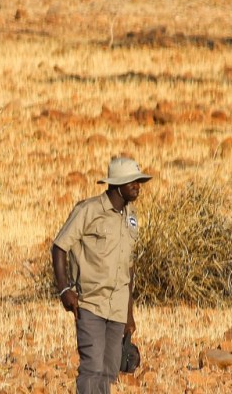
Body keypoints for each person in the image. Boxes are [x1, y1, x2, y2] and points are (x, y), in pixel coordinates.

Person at [51, 156, 150, 394]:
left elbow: (128, 269)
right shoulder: (88, 210)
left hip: (117, 308)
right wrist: (65, 290)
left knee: (109, 371)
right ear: (117, 185)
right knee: (91, 369)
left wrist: (129, 315)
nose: (138, 186)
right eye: (132, 182)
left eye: (139, 181)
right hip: (90, 303)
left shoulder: (131, 217)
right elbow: (59, 247)